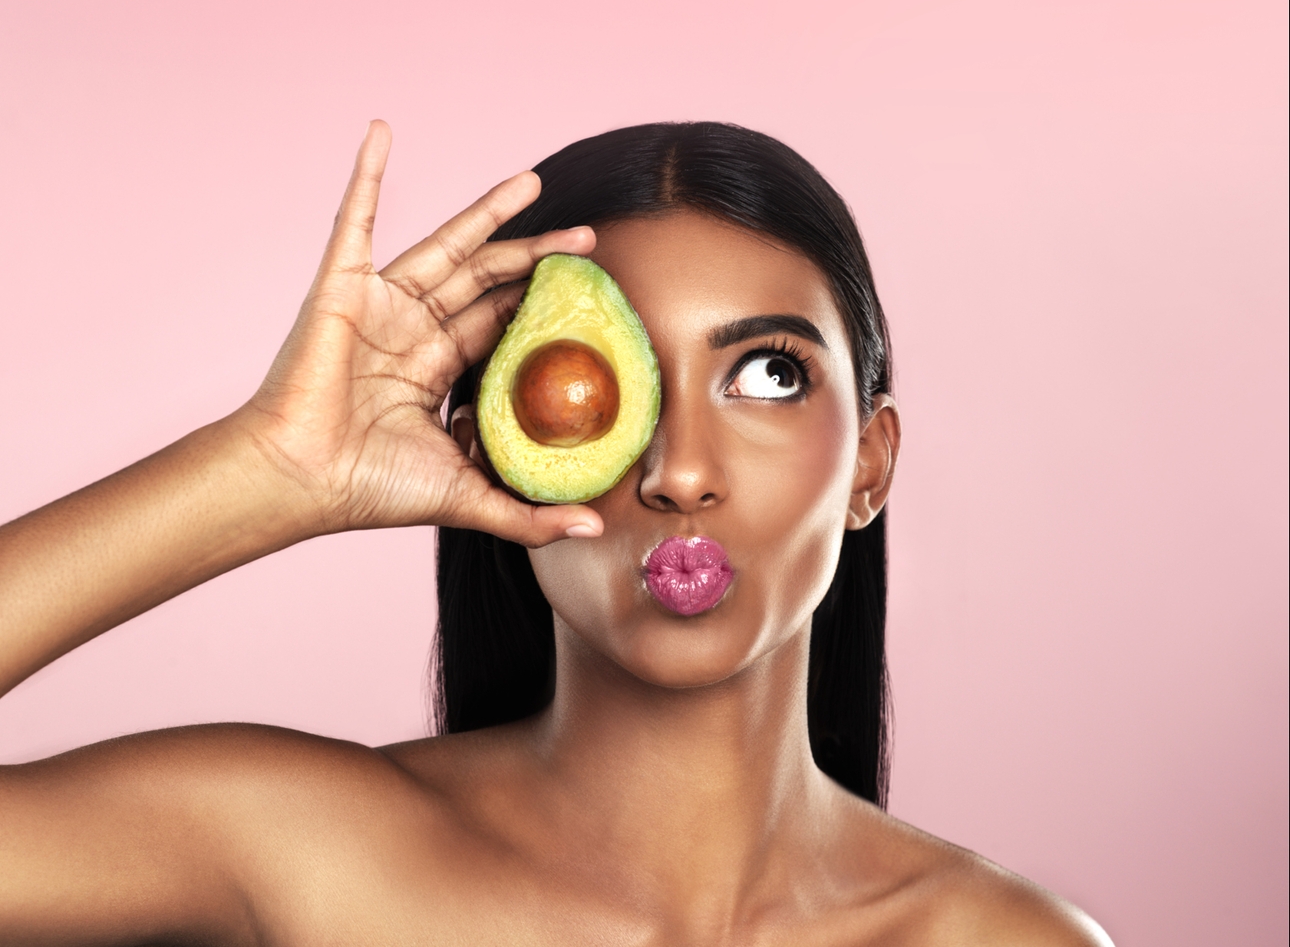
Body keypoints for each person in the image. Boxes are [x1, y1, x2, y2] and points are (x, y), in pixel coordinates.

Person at [0, 120, 1112, 945]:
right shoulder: (305, 855)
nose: (680, 473)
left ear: (870, 464)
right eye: (589, 380)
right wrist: (272, 469)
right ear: (488, 444)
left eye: (767, 374)